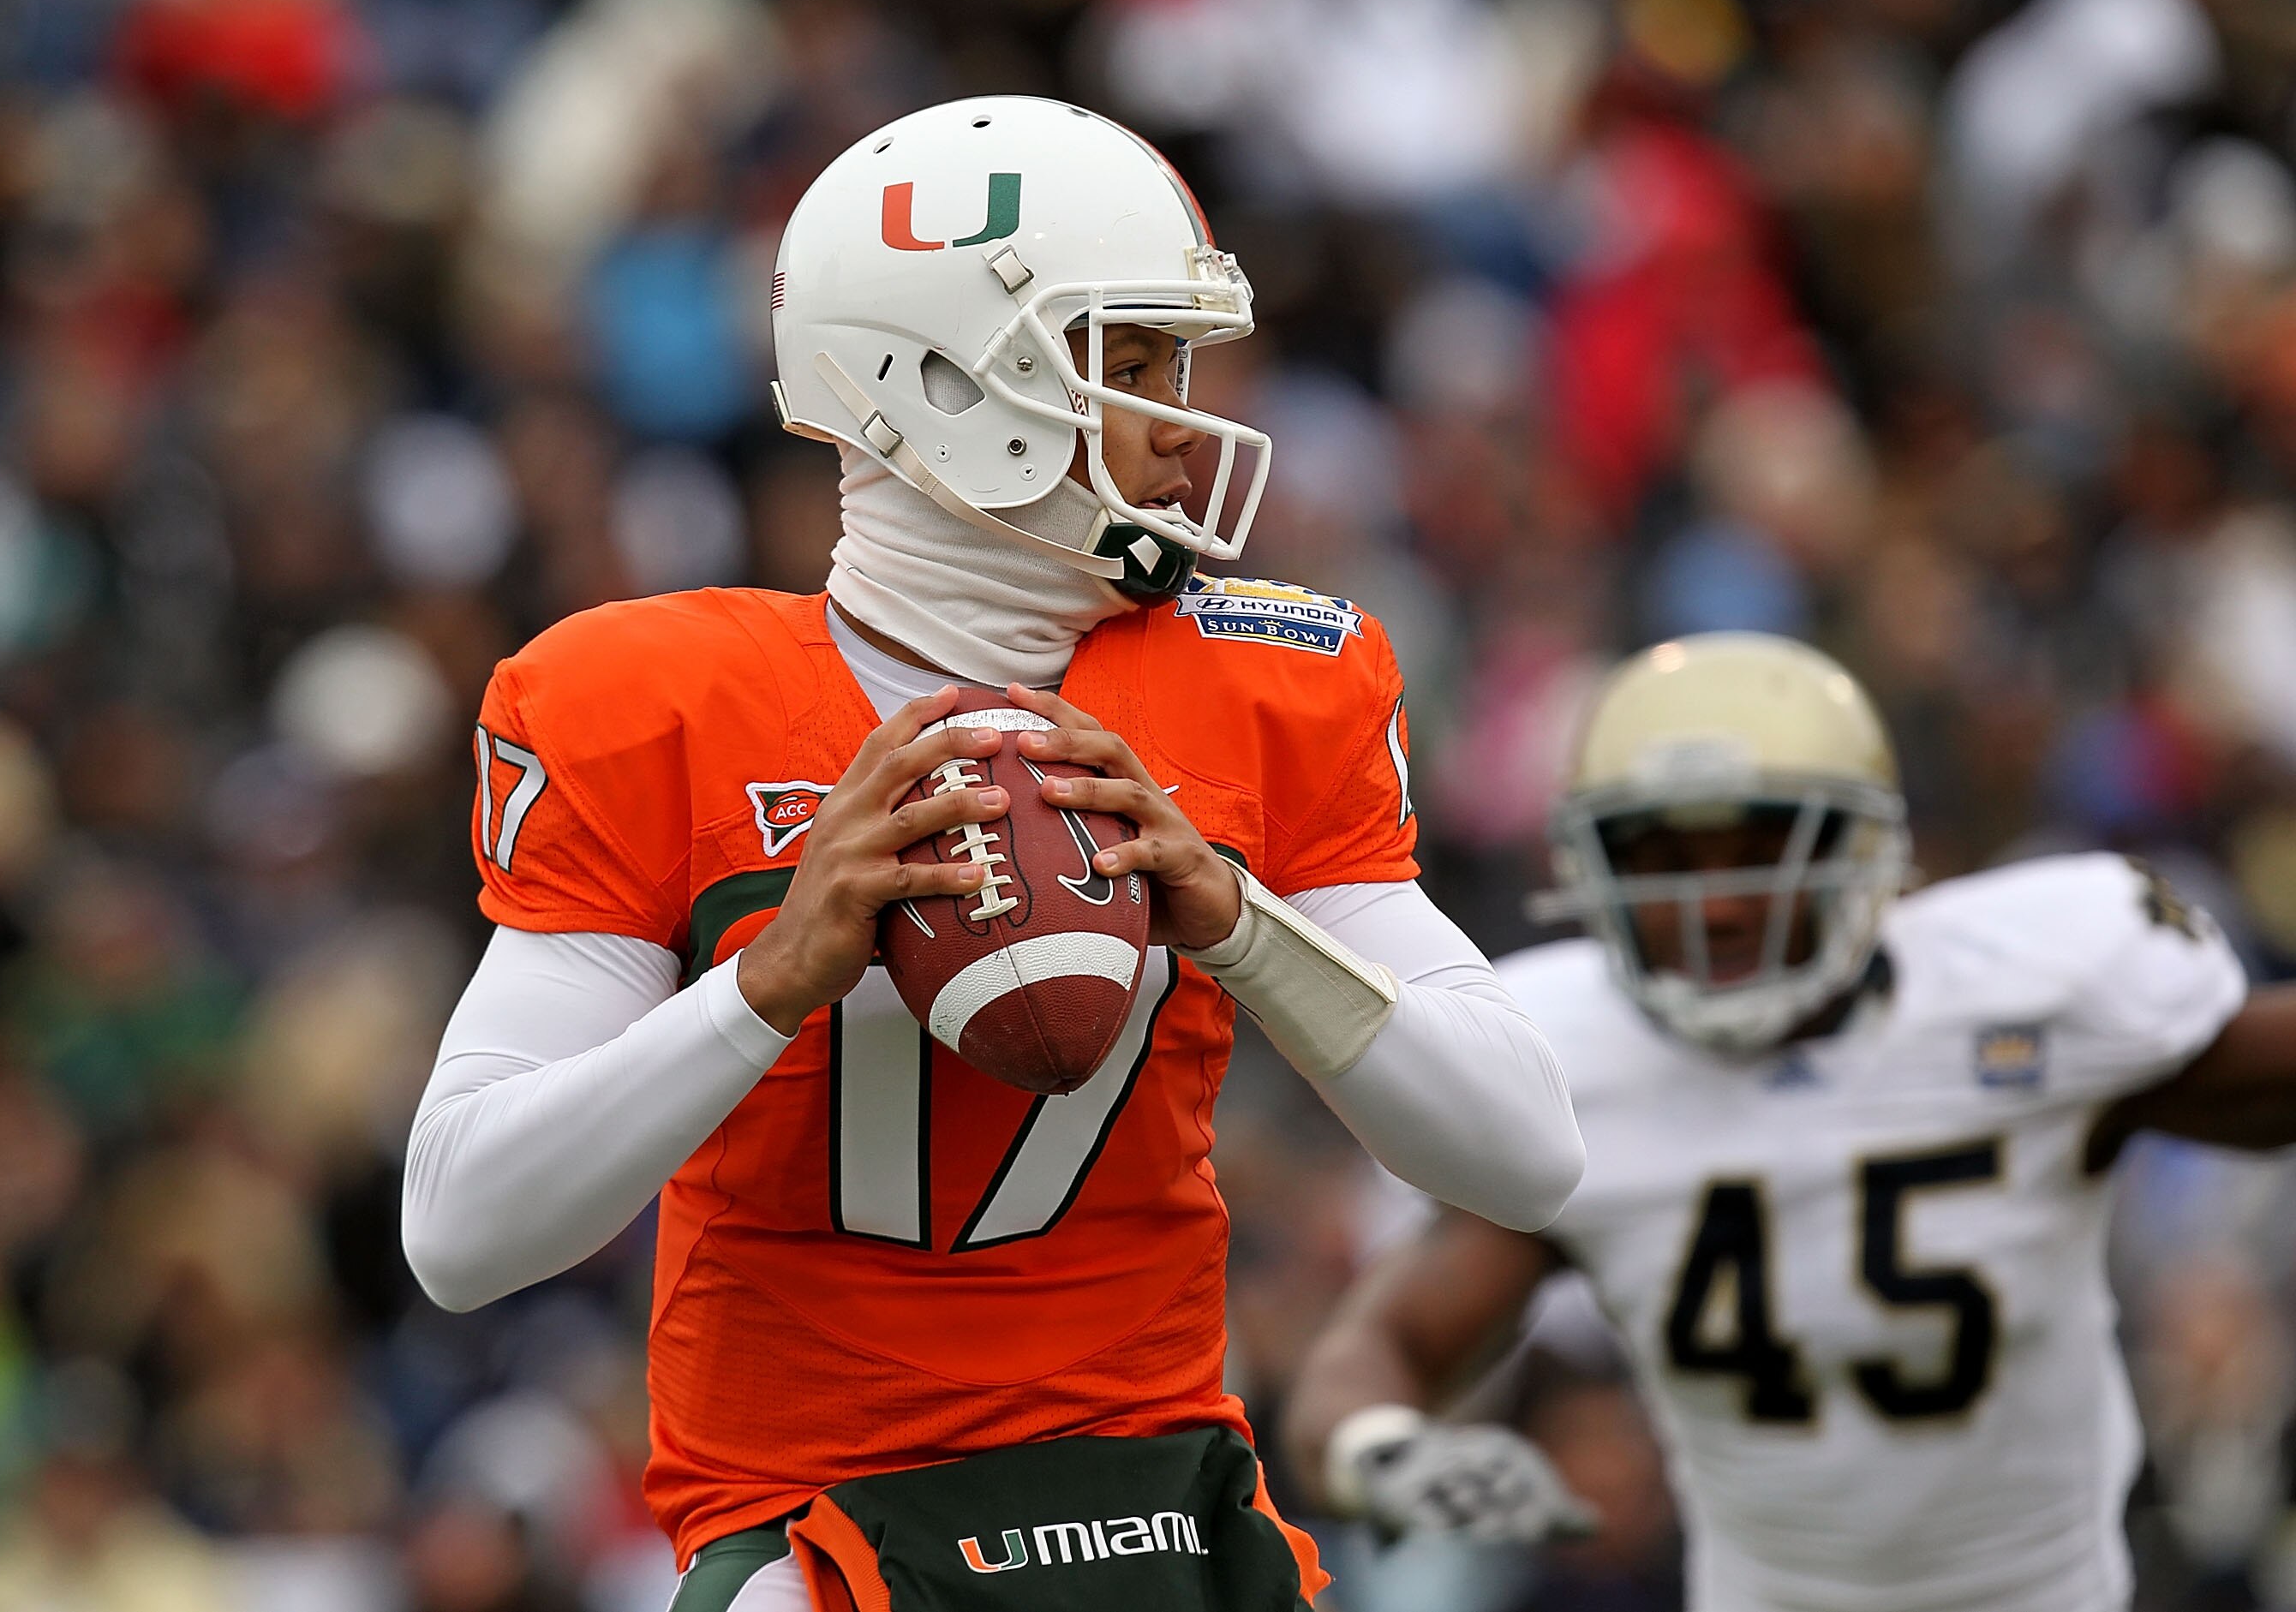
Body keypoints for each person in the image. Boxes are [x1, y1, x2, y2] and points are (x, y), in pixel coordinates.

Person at [398, 96, 1584, 1612]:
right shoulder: (658, 703)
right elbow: (460, 1226)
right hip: (816, 1529)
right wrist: (766, 983)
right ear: (952, 385)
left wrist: (1235, 919)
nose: (1182, 421)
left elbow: (1527, 1150)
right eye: (1133, 364)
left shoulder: (1271, 680)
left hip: (1161, 1505)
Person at [1285, 630, 2296, 1612]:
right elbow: (1386, 1345)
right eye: (1665, 859)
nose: (1716, 907)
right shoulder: (1571, 1068)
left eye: (1758, 850)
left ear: (1865, 855)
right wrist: (1382, 1450)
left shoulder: (2028, 996)